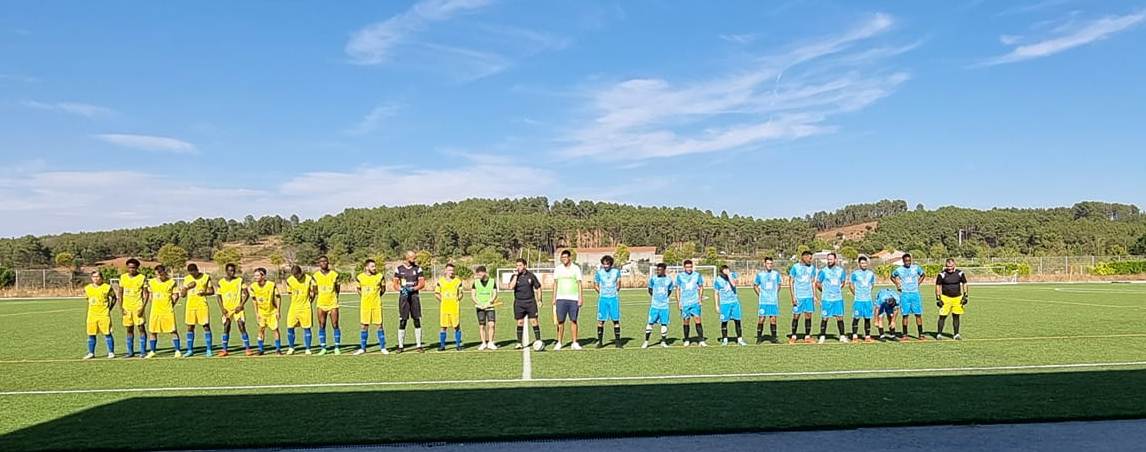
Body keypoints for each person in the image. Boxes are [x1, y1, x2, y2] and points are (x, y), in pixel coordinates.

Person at [216, 263, 252, 357]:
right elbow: (218, 296)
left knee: (241, 326)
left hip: (237, 309)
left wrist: (241, 305)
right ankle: (224, 349)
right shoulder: (221, 282)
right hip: (227, 310)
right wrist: (222, 308)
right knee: (226, 327)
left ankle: (248, 349)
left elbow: (247, 294)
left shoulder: (240, 280)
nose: (232, 272)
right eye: (230, 270)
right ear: (226, 271)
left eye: (233, 270)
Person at [393, 251, 426, 353]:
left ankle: (419, 345)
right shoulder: (399, 269)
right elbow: (395, 284)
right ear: (407, 257)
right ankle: (401, 346)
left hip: (414, 296)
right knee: (403, 320)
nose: (414, 260)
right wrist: (401, 289)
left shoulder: (418, 268)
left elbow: (422, 283)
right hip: (404, 297)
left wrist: (413, 288)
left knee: (416, 319)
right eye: (413, 258)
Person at [144, 265, 180, 358]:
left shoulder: (171, 282)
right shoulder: (152, 282)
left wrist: (172, 304)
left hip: (167, 310)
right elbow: (150, 294)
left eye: (160, 274)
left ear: (164, 272)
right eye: (157, 274)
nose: (159, 276)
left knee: (173, 330)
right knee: (152, 331)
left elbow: (176, 295)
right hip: (155, 310)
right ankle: (152, 351)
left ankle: (177, 350)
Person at [509, 258, 544, 351]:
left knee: (534, 321)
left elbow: (538, 287)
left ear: (525, 266)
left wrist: (539, 299)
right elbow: (511, 287)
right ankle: (519, 343)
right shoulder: (514, 276)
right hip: (519, 303)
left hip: (530, 302)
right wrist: (516, 276)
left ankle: (538, 340)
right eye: (517, 265)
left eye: (520, 265)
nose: (518, 267)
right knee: (520, 322)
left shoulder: (531, 276)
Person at [354, 259, 388, 355]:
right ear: (366, 267)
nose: (374, 268)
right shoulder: (360, 277)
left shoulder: (380, 276)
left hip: (376, 304)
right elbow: (358, 289)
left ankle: (383, 347)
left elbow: (383, 289)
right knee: (364, 326)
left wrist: (376, 297)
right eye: (372, 266)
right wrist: (365, 297)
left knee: (379, 325)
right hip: (365, 305)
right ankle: (363, 348)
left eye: (375, 266)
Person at [117, 258, 149, 358]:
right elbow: (120, 293)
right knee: (129, 329)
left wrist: (142, 308)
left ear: (137, 268)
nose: (131, 269)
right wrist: (121, 307)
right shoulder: (123, 277)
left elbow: (146, 294)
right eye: (130, 267)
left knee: (141, 328)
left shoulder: (142, 278)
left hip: (138, 306)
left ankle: (143, 351)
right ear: (127, 267)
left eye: (134, 268)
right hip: (127, 308)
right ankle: (130, 352)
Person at [891, 253, 927, 340]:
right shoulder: (899, 270)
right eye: (906, 261)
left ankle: (920, 334)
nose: (908, 262)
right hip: (905, 294)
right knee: (905, 315)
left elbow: (923, 275)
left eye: (909, 260)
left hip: (915, 294)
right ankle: (905, 334)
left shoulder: (916, 268)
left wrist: (918, 283)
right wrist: (897, 285)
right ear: (903, 261)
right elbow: (892, 276)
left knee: (918, 314)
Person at [553, 250, 583, 351]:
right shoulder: (558, 269)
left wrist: (580, 297)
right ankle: (559, 342)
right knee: (560, 321)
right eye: (562, 257)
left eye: (565, 257)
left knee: (573, 320)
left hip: (573, 299)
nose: (564, 259)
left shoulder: (576, 268)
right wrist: (554, 297)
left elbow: (579, 284)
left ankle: (574, 342)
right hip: (560, 298)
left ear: (570, 257)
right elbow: (556, 283)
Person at [181, 263, 214, 357]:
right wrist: (186, 287)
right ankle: (190, 350)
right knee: (190, 327)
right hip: (190, 306)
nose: (193, 274)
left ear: (197, 270)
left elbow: (212, 291)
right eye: (190, 273)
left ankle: (208, 349)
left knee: (206, 326)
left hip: (202, 305)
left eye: (194, 272)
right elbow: (182, 295)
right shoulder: (187, 279)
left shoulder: (206, 277)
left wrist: (205, 293)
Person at [83, 270, 117, 359]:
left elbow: (114, 298)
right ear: (91, 278)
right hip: (92, 314)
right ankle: (91, 353)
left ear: (101, 278)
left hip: (103, 314)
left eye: (97, 277)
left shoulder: (107, 287)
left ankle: (111, 352)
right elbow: (88, 299)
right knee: (91, 334)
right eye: (94, 277)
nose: (96, 279)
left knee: (107, 333)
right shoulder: (87, 288)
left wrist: (109, 308)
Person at [815, 252, 848, 344]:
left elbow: (843, 282)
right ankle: (822, 336)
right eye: (828, 259)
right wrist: (824, 291)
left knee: (840, 317)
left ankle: (842, 336)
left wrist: (837, 290)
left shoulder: (841, 271)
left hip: (838, 298)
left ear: (835, 260)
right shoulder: (823, 271)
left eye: (831, 259)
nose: (829, 261)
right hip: (826, 299)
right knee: (825, 317)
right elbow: (818, 283)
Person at [249, 267, 283, 355]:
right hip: (261, 312)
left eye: (257, 275)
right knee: (261, 330)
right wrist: (256, 314)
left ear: (263, 276)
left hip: (272, 312)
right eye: (255, 275)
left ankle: (278, 349)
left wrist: (278, 311)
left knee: (275, 329)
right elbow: (254, 301)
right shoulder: (253, 287)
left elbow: (278, 297)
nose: (255, 277)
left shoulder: (271, 285)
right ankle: (261, 349)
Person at [312, 256, 341, 355]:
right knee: (321, 325)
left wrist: (334, 297)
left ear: (328, 262)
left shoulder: (334, 274)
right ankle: (323, 347)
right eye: (321, 261)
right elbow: (315, 290)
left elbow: (337, 288)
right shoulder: (315, 276)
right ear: (319, 263)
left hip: (333, 303)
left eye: (325, 261)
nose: (323, 263)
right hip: (321, 304)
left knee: (335, 324)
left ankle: (337, 347)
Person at [284, 265, 316, 355]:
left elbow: (313, 292)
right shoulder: (289, 280)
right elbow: (289, 293)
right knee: (290, 327)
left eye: (297, 275)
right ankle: (291, 348)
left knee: (307, 328)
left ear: (300, 273)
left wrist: (310, 301)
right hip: (294, 307)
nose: (296, 277)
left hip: (305, 307)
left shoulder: (308, 279)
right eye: (294, 275)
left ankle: (308, 348)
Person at [935, 258, 969, 340]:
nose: (949, 268)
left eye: (951, 266)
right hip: (945, 298)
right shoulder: (942, 274)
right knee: (942, 316)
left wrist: (965, 295)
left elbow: (965, 283)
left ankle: (956, 334)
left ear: (954, 265)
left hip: (957, 298)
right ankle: (939, 334)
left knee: (956, 316)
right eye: (947, 266)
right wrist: (938, 298)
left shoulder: (960, 273)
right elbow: (938, 286)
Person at [788, 251, 817, 344]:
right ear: (804, 257)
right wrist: (793, 296)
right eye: (809, 258)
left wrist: (814, 295)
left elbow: (813, 282)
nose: (810, 260)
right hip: (798, 296)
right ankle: (793, 336)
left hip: (808, 296)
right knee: (796, 316)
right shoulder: (795, 267)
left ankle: (807, 336)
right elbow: (791, 282)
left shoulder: (812, 268)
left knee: (808, 316)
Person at [675, 260, 706, 347]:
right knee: (686, 321)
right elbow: (677, 289)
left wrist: (700, 299)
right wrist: (679, 302)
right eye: (687, 267)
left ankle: (701, 340)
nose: (689, 269)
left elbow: (701, 287)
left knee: (698, 320)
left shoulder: (697, 275)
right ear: (684, 267)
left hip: (695, 302)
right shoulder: (680, 276)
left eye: (690, 267)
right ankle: (687, 339)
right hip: (685, 303)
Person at [593, 255, 623, 348]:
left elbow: (618, 284)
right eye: (604, 264)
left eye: (607, 264)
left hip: (613, 299)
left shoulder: (616, 272)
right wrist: (601, 292)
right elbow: (595, 284)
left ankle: (618, 342)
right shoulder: (599, 273)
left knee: (616, 320)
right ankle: (600, 342)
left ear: (611, 264)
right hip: (603, 299)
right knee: (601, 321)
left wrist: (614, 292)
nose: (606, 266)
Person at [642, 263, 674, 348]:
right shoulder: (653, 279)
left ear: (664, 270)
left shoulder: (669, 280)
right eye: (657, 270)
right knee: (650, 323)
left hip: (664, 306)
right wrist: (655, 297)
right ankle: (646, 342)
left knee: (664, 324)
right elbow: (650, 289)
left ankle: (663, 342)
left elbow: (670, 290)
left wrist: (664, 298)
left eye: (660, 270)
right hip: (655, 306)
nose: (658, 271)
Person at [434, 264, 464, 351]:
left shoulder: (458, 281)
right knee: (443, 326)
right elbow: (436, 293)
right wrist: (442, 300)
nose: (451, 272)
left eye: (452, 270)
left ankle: (458, 345)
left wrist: (458, 298)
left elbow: (461, 293)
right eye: (449, 270)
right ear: (445, 271)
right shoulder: (441, 281)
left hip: (454, 307)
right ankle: (442, 345)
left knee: (456, 326)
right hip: (445, 307)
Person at [753, 257, 783, 343]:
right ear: (764, 264)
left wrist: (775, 293)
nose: (769, 265)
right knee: (761, 319)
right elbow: (755, 285)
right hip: (763, 301)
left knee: (773, 319)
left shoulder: (776, 274)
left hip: (773, 301)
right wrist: (760, 294)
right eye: (768, 263)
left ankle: (774, 338)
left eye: (771, 264)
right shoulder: (760, 275)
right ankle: (759, 338)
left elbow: (779, 284)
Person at [714, 265, 746, 346]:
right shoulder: (718, 280)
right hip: (724, 304)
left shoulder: (732, 275)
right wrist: (717, 305)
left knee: (737, 321)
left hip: (734, 302)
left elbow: (734, 284)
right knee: (724, 322)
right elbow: (716, 293)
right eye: (724, 271)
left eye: (727, 270)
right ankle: (725, 339)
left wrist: (729, 275)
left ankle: (740, 339)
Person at [849, 256, 877, 343]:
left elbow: (872, 284)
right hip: (858, 300)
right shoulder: (855, 274)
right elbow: (851, 285)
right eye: (862, 263)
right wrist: (855, 293)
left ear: (867, 264)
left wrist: (867, 292)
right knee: (856, 318)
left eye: (865, 263)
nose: (863, 265)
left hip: (867, 300)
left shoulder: (871, 274)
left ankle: (867, 336)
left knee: (867, 318)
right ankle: (854, 336)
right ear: (859, 264)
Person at [471, 266, 498, 351]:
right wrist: (479, 303)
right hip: (480, 307)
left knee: (491, 324)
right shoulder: (475, 282)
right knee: (482, 326)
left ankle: (490, 342)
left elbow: (494, 294)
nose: (478, 276)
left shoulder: (492, 281)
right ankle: (483, 343)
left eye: (479, 274)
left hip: (490, 307)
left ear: (484, 273)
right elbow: (473, 295)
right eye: (477, 275)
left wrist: (490, 302)